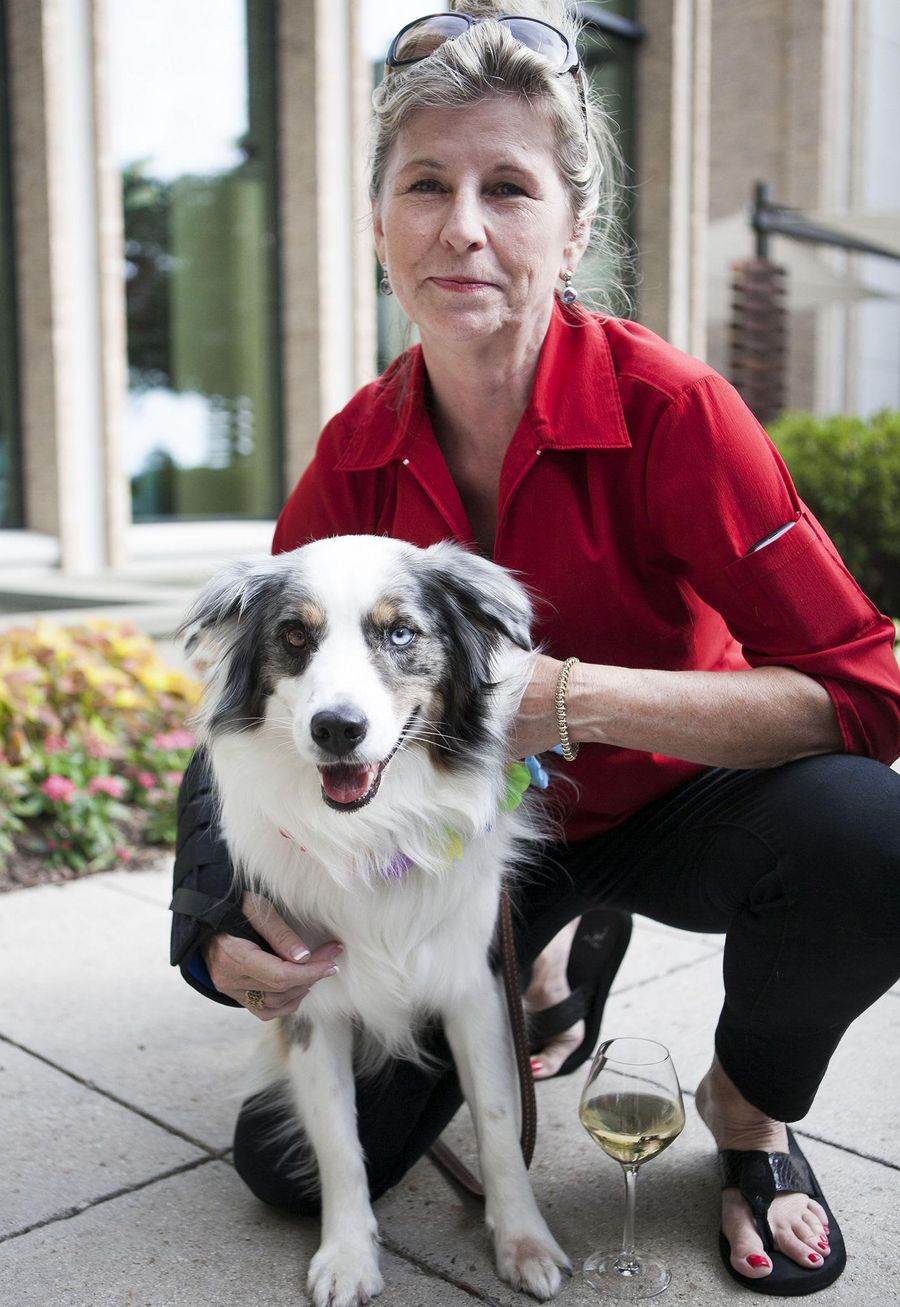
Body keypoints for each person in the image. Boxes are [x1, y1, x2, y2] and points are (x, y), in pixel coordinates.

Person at [170, 2, 900, 1296]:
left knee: (871, 840)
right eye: (426, 185)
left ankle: (750, 1115)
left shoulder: (675, 411)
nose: (464, 226)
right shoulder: (351, 458)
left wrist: (571, 700)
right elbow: (255, 704)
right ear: (380, 224)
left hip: (682, 801)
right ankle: (554, 947)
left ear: (573, 229)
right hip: (463, 844)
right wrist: (215, 920)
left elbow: (872, 687)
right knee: (284, 1173)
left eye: (508, 187)